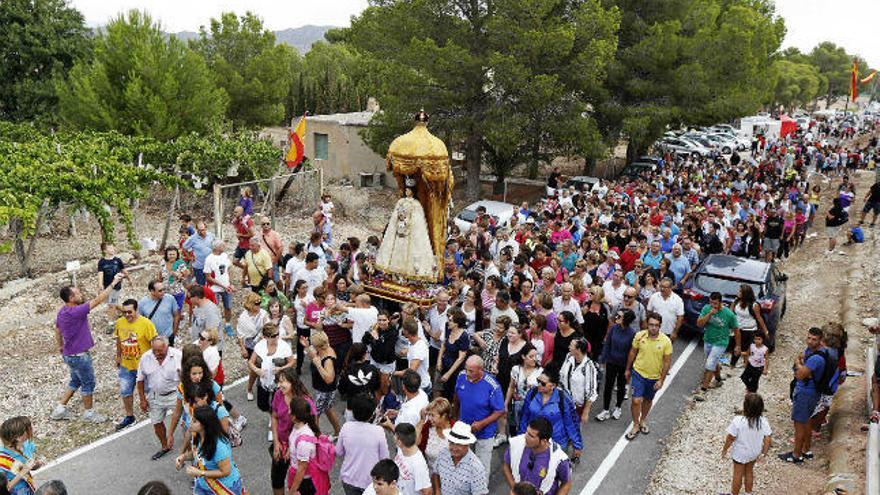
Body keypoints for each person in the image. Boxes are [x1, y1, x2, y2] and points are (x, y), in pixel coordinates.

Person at [50, 272, 125, 423]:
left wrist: (60, 347)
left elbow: (57, 330)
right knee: (88, 383)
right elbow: (98, 300)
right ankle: (89, 413)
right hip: (80, 356)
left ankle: (59, 410)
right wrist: (113, 283)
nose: (81, 294)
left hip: (69, 354)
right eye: (78, 293)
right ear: (71, 298)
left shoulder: (62, 311)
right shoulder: (76, 311)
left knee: (75, 381)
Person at [779, 327, 827, 464]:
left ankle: (796, 455)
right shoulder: (818, 352)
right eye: (809, 338)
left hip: (806, 392)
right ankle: (806, 450)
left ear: (820, 341)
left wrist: (797, 363)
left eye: (814, 339)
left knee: (799, 424)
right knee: (806, 421)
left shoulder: (815, 358)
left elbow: (800, 374)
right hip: (810, 391)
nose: (810, 342)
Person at [175, 405, 245, 494]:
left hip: (224, 488)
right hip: (204, 485)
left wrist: (200, 472)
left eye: (194, 421)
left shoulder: (219, 446)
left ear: (204, 425)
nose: (190, 423)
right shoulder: (199, 436)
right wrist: (184, 457)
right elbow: (198, 453)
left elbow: (225, 471)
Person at [517, 368, 582, 463]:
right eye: (538, 381)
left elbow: (571, 423)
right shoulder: (532, 393)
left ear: (553, 385)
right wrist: (521, 437)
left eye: (543, 383)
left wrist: (577, 445)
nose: (539, 385)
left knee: (555, 472)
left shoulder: (563, 398)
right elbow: (524, 417)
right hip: (535, 442)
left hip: (556, 443)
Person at [452, 356, 506, 471]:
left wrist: (481, 424)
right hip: (465, 429)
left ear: (481, 370)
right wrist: (454, 417)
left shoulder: (492, 386)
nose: (467, 373)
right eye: (466, 369)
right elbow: (456, 397)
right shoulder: (461, 376)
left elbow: (500, 410)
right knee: (463, 463)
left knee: (481, 467)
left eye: (471, 371)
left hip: (485, 433)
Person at [624, 312, 672, 440]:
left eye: (656, 325)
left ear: (660, 326)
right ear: (647, 324)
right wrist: (628, 369)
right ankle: (635, 424)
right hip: (639, 373)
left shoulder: (666, 341)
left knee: (648, 400)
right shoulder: (639, 336)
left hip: (654, 377)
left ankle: (642, 420)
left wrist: (662, 380)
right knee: (636, 400)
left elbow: (667, 362)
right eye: (651, 325)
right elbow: (633, 352)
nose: (653, 328)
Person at [114, 298, 158, 431]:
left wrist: (155, 361)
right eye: (124, 312)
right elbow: (119, 340)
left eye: (129, 312)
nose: (127, 315)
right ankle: (129, 416)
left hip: (143, 367)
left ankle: (156, 414)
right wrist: (118, 356)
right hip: (126, 365)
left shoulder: (146, 324)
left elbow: (154, 342)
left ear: (136, 310)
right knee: (125, 391)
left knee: (149, 391)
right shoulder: (120, 323)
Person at [269, 368, 315, 495]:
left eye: (282, 382)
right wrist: (276, 442)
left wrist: (291, 446)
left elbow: (313, 427)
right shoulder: (278, 394)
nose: (279, 386)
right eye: (278, 382)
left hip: (297, 447)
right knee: (277, 478)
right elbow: (274, 416)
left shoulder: (306, 402)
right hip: (281, 443)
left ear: (293, 382)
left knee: (299, 481)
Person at [136, 336, 183, 460]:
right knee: (156, 423)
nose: (157, 354)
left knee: (186, 421)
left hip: (175, 394)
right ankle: (165, 446)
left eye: (160, 351)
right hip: (156, 395)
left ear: (167, 347)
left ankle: (190, 446)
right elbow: (140, 380)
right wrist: (142, 399)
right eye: (154, 351)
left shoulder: (178, 356)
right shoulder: (145, 358)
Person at [502, 417, 572, 495]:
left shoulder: (559, 459)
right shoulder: (517, 444)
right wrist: (516, 489)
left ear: (543, 441)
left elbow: (566, 483)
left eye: (531, 436)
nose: (525, 437)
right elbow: (506, 466)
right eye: (527, 432)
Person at [249, 322, 295, 442]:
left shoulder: (284, 346)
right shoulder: (259, 346)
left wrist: (281, 369)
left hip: (278, 383)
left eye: (277, 334)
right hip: (264, 380)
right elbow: (250, 362)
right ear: (265, 337)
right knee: (262, 404)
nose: (276, 337)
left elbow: (291, 362)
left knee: (277, 405)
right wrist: (257, 370)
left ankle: (273, 425)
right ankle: (272, 415)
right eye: (273, 336)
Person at [336, 394, 389, 495]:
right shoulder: (378, 431)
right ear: (371, 414)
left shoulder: (346, 427)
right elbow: (385, 458)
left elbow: (339, 452)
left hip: (348, 478)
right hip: (370, 481)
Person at [722, 393, 772, 495]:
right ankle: (748, 493)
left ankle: (734, 493)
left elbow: (730, 437)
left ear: (745, 406)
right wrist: (764, 453)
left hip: (740, 454)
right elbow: (768, 438)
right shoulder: (763, 421)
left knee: (737, 475)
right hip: (754, 453)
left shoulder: (738, 421)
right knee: (749, 472)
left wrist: (725, 449)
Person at [694, 292, 739, 401]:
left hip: (721, 342)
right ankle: (718, 379)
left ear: (720, 302)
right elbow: (699, 324)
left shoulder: (729, 314)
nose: (713, 305)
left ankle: (703, 390)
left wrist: (738, 345)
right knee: (713, 362)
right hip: (708, 339)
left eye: (715, 303)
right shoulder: (706, 308)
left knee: (709, 363)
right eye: (711, 302)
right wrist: (709, 314)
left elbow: (736, 330)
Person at [597, 309, 637, 421]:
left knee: (621, 386)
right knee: (608, 386)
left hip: (624, 364)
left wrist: (629, 368)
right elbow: (607, 344)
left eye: (619, 316)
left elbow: (632, 351)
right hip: (611, 362)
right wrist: (603, 360)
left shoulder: (632, 333)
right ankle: (605, 410)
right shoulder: (614, 328)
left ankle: (618, 408)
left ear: (626, 319)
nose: (616, 318)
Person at [431, 421, 489, 495]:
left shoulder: (476, 468)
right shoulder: (443, 453)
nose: (454, 448)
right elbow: (436, 472)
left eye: (458, 444)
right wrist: (437, 491)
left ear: (467, 445)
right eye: (451, 443)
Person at [305, 330, 342, 437]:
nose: (313, 347)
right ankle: (337, 432)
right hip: (325, 389)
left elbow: (329, 379)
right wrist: (307, 347)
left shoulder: (328, 360)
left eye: (313, 345)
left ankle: (316, 438)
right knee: (328, 409)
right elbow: (315, 355)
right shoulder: (324, 349)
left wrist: (318, 365)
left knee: (314, 414)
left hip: (324, 390)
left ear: (319, 346)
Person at [286, 397, 323, 495]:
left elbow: (302, 469)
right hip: (298, 476)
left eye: (289, 409)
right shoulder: (298, 426)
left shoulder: (304, 443)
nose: (287, 410)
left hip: (303, 483)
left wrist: (292, 491)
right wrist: (289, 450)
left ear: (294, 416)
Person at [559, 338, 599, 424]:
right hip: (563, 400)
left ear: (578, 350)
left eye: (571, 345)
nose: (569, 347)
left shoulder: (589, 367)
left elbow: (591, 392)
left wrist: (585, 412)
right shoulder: (569, 356)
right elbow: (562, 375)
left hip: (577, 406)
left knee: (574, 429)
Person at [238, 291, 269, 401]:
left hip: (263, 343)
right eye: (256, 303)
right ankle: (250, 388)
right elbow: (240, 334)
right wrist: (243, 348)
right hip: (250, 345)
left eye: (260, 303)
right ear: (251, 305)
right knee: (254, 369)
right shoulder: (243, 317)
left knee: (265, 366)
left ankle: (265, 386)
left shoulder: (263, 314)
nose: (259, 305)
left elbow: (267, 327)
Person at [728, 284, 768, 368]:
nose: (738, 292)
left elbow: (759, 318)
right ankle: (732, 364)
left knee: (747, 349)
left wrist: (765, 331)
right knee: (736, 347)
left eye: (740, 291)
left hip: (749, 331)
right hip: (737, 329)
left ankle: (746, 364)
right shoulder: (736, 302)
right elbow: (730, 313)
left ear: (745, 293)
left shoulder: (754, 305)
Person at [1, 416, 43, 495]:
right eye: (27, 430)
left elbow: (29, 468)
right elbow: (5, 488)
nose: (31, 431)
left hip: (29, 486)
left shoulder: (27, 444)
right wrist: (23, 471)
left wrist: (36, 465)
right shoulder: (2, 458)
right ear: (17, 437)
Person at [437, 310, 471, 400]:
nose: (448, 321)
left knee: (453, 393)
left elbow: (461, 358)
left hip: (456, 369)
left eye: (451, 320)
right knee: (444, 391)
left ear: (456, 323)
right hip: (446, 364)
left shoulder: (464, 336)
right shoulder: (448, 329)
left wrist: (448, 374)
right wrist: (439, 360)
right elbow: (444, 344)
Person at [392, 423, 432, 495]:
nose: (393, 437)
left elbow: (427, 491)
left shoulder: (418, 464)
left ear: (399, 441)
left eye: (395, 435)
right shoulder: (401, 448)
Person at [138, 280, 181, 347]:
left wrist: (174, 332)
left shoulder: (170, 298)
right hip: (152, 338)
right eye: (160, 291)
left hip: (168, 337)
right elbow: (139, 321)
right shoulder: (142, 303)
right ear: (152, 291)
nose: (163, 292)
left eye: (164, 289)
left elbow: (176, 315)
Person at [204, 240, 235, 331]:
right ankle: (214, 326)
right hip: (214, 289)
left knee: (228, 307)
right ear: (217, 248)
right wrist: (223, 286)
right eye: (222, 246)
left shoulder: (224, 256)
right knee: (214, 308)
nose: (224, 247)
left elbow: (229, 268)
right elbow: (208, 277)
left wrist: (230, 283)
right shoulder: (209, 259)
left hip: (227, 287)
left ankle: (228, 324)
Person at [416, 398, 453, 473]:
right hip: (431, 475)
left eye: (432, 415)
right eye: (429, 414)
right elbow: (414, 443)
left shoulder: (455, 429)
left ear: (444, 416)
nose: (429, 418)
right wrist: (422, 420)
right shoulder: (428, 427)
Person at [97, 243, 126, 330]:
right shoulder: (101, 262)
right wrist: (100, 284)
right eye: (110, 248)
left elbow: (124, 270)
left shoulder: (118, 260)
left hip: (116, 286)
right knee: (113, 303)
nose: (112, 249)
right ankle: (127, 311)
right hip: (107, 287)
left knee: (111, 305)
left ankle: (111, 323)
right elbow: (100, 274)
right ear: (105, 250)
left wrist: (129, 279)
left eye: (113, 247)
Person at [182, 220, 215, 285]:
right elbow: (184, 248)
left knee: (211, 282)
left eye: (203, 230)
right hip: (199, 265)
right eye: (199, 230)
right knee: (201, 284)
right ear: (196, 229)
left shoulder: (211, 235)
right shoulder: (192, 238)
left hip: (210, 264)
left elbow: (216, 246)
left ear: (206, 228)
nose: (201, 232)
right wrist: (189, 257)